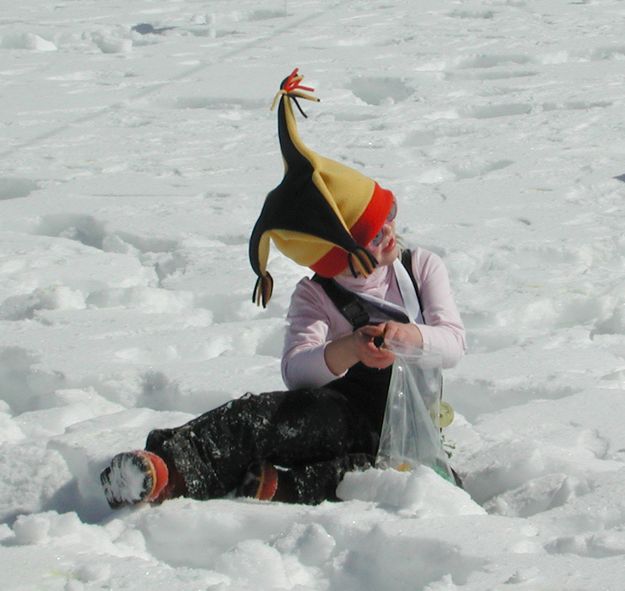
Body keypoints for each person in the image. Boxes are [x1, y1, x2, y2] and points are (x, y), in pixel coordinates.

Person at [100, 69, 466, 509]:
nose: (388, 233)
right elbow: (297, 373)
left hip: (408, 432)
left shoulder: (421, 267)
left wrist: (412, 337)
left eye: (388, 216)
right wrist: (348, 348)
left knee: (367, 475)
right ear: (339, 255)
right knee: (259, 419)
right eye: (371, 233)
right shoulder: (316, 296)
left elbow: (453, 345)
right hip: (340, 418)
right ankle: (166, 469)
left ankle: (278, 486)